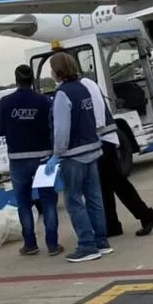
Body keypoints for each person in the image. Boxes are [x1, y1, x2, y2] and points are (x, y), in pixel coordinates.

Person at [44, 51, 110, 263]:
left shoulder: (62, 94)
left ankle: (86, 245)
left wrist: (56, 154)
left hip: (73, 154)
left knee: (74, 201)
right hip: (92, 149)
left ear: (58, 70)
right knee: (94, 198)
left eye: (52, 68)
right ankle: (101, 241)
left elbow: (62, 129)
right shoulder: (83, 89)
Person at [0, 65, 62, 256]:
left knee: (24, 204)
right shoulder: (45, 101)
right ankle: (53, 245)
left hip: (18, 160)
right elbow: (54, 127)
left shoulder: (6, 103)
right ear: (33, 80)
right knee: (48, 201)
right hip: (43, 158)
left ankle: (30, 244)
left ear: (16, 80)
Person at [81, 73, 153, 238]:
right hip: (106, 139)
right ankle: (114, 224)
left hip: (102, 140)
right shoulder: (88, 83)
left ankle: (145, 215)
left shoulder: (84, 86)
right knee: (109, 184)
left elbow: (97, 119)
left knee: (115, 182)